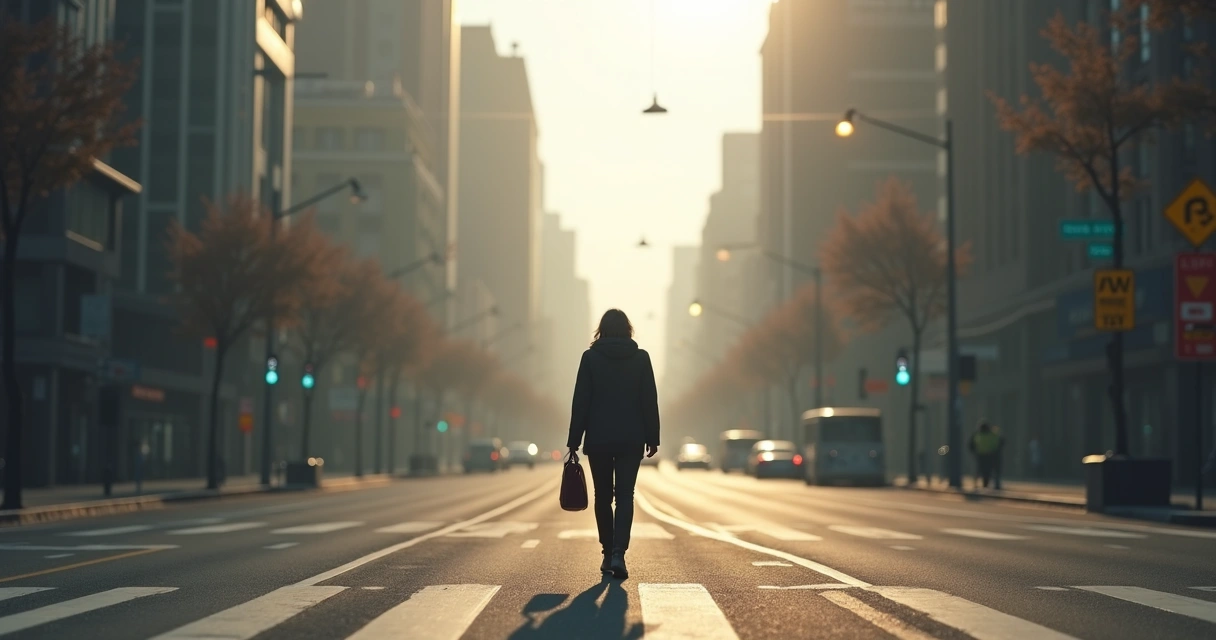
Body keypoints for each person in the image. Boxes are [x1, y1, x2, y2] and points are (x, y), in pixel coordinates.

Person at [567, 309, 660, 580]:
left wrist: (574, 440)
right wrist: (652, 438)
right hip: (632, 439)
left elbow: (580, 402)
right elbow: (649, 401)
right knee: (625, 496)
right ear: (628, 330)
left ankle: (607, 552)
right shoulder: (641, 359)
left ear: (602, 330)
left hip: (599, 439)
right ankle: (619, 552)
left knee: (603, 497)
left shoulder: (590, 358)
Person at [968, 421, 1003, 489]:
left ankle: (978, 484)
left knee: (981, 470)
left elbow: (971, 445)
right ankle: (995, 484)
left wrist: (974, 452)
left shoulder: (977, 435)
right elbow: (1001, 442)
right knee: (992, 470)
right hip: (991, 455)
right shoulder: (993, 434)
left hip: (981, 456)